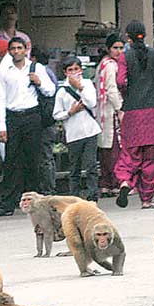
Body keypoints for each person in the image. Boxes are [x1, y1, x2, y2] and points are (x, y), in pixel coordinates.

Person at [0, 37, 55, 217]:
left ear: (26, 50)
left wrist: (39, 81)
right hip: (13, 116)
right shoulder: (5, 70)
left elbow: (51, 90)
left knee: (33, 160)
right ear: (9, 51)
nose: (16, 51)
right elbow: (0, 97)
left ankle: (34, 202)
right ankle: (8, 203)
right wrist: (1, 125)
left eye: (19, 48)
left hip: (32, 116)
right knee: (11, 161)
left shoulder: (36, 68)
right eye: (13, 49)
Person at [114, 21, 154, 210]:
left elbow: (120, 82)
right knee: (153, 157)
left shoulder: (125, 56)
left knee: (130, 152)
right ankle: (147, 199)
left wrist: (127, 97)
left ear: (128, 37)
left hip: (132, 111)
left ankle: (125, 181)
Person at [53, 57, 101, 201]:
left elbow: (92, 103)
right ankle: (75, 197)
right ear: (65, 72)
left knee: (91, 165)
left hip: (90, 131)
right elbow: (56, 114)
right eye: (70, 70)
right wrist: (70, 112)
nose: (74, 73)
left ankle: (92, 196)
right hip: (74, 134)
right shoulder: (62, 91)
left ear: (81, 70)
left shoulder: (87, 84)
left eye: (76, 69)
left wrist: (80, 88)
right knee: (75, 168)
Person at [95, 33, 124, 198]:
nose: (118, 51)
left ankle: (106, 184)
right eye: (115, 48)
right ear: (108, 48)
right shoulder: (111, 65)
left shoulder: (102, 64)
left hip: (102, 112)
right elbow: (111, 89)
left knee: (105, 150)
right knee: (114, 150)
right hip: (111, 112)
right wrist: (120, 109)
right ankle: (114, 183)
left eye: (121, 48)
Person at [31, 46, 58, 195]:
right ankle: (47, 187)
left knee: (44, 156)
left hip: (43, 120)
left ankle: (47, 188)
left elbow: (49, 91)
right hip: (48, 119)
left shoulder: (41, 72)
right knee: (46, 155)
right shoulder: (50, 72)